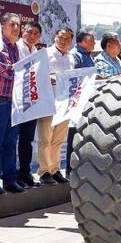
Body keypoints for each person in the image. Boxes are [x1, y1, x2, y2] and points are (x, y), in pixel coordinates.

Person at [0, 12, 23, 194]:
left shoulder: (16, 47)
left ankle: (10, 180)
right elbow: (8, 72)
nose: (16, 28)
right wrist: (27, 71)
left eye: (18, 25)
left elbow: (21, 72)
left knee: (11, 143)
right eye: (12, 24)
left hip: (14, 102)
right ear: (2, 27)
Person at [37, 27, 74, 186]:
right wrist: (49, 78)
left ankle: (55, 169)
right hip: (48, 102)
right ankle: (44, 171)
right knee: (45, 139)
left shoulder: (71, 58)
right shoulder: (45, 54)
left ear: (71, 41)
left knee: (58, 140)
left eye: (67, 38)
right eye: (60, 37)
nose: (63, 41)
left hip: (64, 104)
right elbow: (37, 75)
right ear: (54, 37)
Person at [16, 21, 42, 187]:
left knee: (27, 140)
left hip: (31, 102)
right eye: (29, 32)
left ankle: (25, 172)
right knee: (11, 140)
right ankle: (11, 175)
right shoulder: (16, 48)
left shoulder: (37, 52)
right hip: (16, 101)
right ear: (22, 31)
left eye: (36, 34)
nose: (32, 36)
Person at [65, 30, 95, 175]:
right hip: (76, 102)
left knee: (83, 136)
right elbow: (74, 76)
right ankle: (70, 169)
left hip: (87, 101)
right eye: (92, 41)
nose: (94, 44)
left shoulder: (88, 55)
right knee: (73, 135)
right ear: (84, 41)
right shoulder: (74, 55)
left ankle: (79, 167)